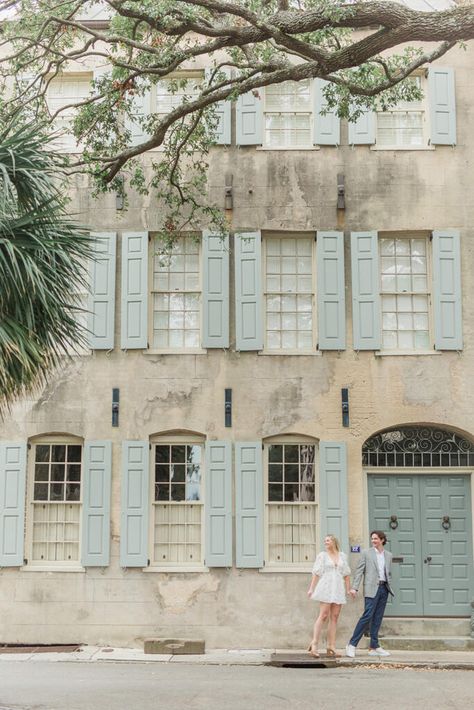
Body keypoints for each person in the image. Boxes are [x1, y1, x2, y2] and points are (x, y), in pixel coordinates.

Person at [345, 530, 394, 658]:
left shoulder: (388, 555)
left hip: (384, 588)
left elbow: (387, 573)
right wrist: (354, 588)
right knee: (367, 616)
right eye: (372, 539)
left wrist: (389, 585)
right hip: (371, 589)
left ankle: (374, 646)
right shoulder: (366, 553)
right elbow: (359, 571)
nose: (373, 541)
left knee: (377, 618)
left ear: (382, 540)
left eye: (376, 539)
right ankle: (351, 644)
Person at [307, 534, 351, 658]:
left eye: (328, 540)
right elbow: (316, 573)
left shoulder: (342, 556)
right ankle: (314, 644)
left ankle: (331, 646)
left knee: (335, 616)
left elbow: (346, 574)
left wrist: (348, 590)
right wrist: (311, 588)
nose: (325, 542)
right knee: (324, 615)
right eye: (324, 541)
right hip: (326, 587)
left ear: (334, 542)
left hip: (337, 588)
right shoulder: (322, 556)